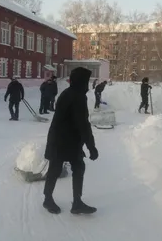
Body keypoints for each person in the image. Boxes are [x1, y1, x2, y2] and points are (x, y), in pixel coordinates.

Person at [43, 67, 99, 215]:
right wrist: (91, 147)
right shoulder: (78, 96)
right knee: (57, 169)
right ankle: (50, 199)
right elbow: (83, 124)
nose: (87, 84)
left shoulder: (68, 93)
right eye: (86, 81)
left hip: (65, 139)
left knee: (74, 167)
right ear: (82, 82)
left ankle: (76, 202)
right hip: (63, 141)